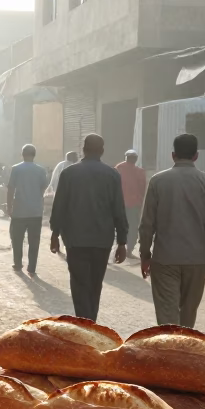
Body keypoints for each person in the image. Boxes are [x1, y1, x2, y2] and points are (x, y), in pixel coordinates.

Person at [137, 133, 205, 328]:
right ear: (196, 155)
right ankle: (183, 353)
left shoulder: (158, 181)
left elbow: (147, 224)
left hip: (165, 260)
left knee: (167, 316)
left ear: (173, 155)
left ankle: (170, 354)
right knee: (187, 316)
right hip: (196, 261)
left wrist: (145, 255)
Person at [50, 134, 128, 321]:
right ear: (102, 151)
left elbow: (59, 206)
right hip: (102, 240)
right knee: (95, 284)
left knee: (79, 284)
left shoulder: (69, 173)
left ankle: (85, 323)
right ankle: (91, 321)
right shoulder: (112, 175)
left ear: (82, 150)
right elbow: (118, 209)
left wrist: (55, 234)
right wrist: (122, 242)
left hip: (75, 240)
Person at [8, 144, 49, 274]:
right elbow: (43, 188)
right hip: (35, 211)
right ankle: (32, 268)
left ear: (22, 154)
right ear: (34, 154)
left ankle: (18, 263)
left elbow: (11, 189)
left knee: (17, 239)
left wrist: (9, 206)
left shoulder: (16, 169)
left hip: (19, 211)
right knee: (34, 241)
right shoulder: (41, 170)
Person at [115, 149, 147, 256]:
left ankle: (119, 247)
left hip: (119, 203)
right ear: (136, 159)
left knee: (119, 226)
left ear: (125, 157)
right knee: (132, 226)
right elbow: (142, 188)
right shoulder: (140, 171)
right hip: (134, 204)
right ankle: (129, 250)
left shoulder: (118, 168)